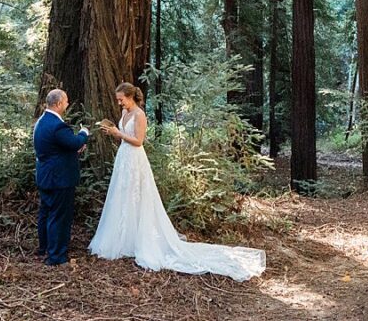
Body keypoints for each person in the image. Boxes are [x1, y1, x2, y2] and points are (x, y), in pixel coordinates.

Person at [88, 82, 265, 281]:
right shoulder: (124, 114)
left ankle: (141, 239)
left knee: (138, 196)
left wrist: (118, 133)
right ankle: (123, 239)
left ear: (130, 97)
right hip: (124, 158)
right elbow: (125, 138)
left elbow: (138, 141)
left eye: (121, 99)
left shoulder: (139, 115)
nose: (119, 102)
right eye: (118, 99)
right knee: (123, 195)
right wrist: (113, 132)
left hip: (136, 160)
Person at [34, 88, 90, 266]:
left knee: (46, 213)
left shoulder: (41, 122)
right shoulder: (57, 125)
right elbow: (74, 142)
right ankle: (56, 256)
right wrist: (84, 133)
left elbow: (56, 147)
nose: (67, 104)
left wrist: (73, 148)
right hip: (59, 178)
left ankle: (45, 247)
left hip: (46, 175)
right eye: (66, 102)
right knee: (59, 216)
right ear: (58, 104)